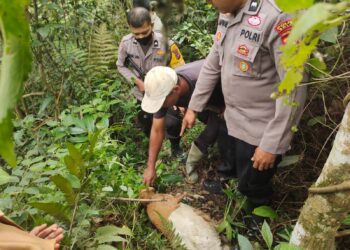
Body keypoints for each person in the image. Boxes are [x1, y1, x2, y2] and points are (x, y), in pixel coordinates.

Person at [181, 0, 307, 214]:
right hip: (232, 118)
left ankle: (258, 216)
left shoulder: (278, 17)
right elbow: (213, 63)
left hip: (261, 127)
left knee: (253, 183)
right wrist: (194, 107)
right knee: (237, 168)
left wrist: (271, 144)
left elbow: (294, 87)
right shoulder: (226, 12)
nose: (209, 2)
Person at [141, 60, 226, 186]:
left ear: (176, 90)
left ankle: (226, 172)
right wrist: (151, 166)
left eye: (161, 102)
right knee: (172, 121)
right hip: (207, 104)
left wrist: (228, 106)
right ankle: (191, 159)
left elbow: (240, 86)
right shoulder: (162, 87)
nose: (160, 107)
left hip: (227, 95)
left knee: (221, 131)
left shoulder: (203, 77)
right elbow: (157, 130)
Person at [117, 7, 185, 152]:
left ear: (152, 26)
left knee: (173, 122)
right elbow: (121, 66)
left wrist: (178, 97)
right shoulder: (125, 43)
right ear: (129, 28)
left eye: (145, 32)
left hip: (165, 93)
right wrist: (137, 81)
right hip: (142, 95)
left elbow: (181, 69)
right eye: (137, 34)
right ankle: (154, 148)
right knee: (146, 122)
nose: (141, 36)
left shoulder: (167, 43)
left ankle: (175, 147)